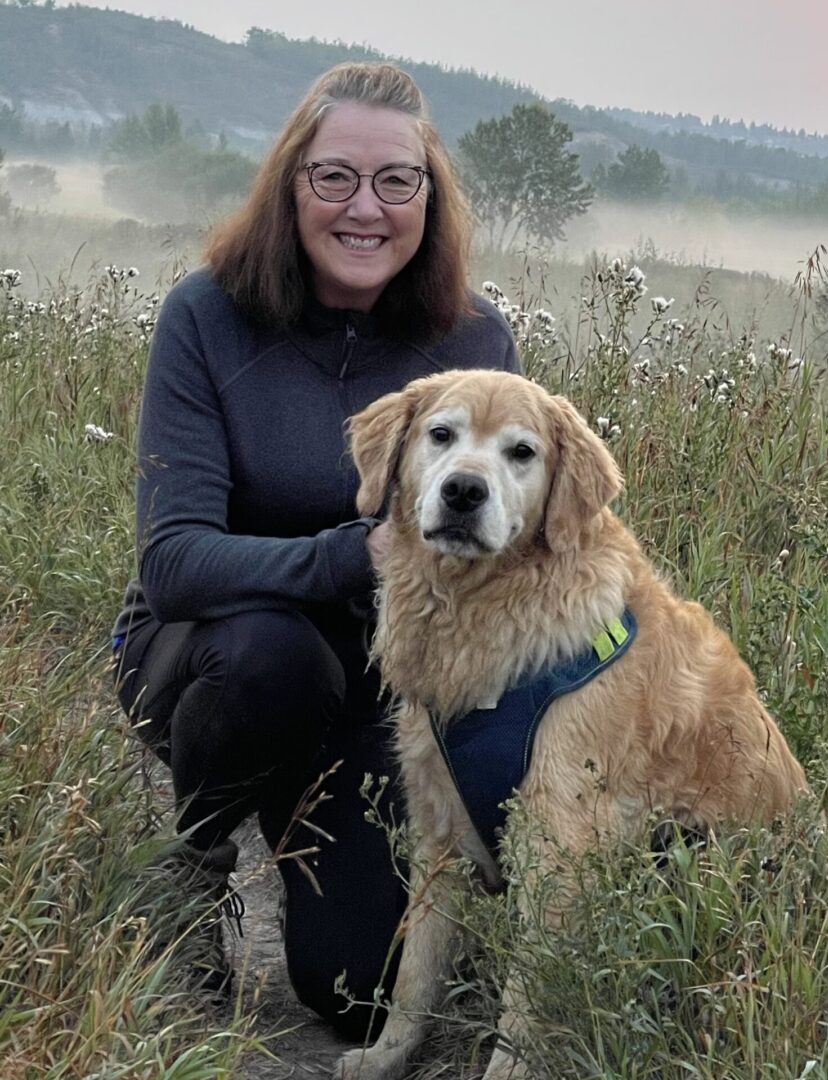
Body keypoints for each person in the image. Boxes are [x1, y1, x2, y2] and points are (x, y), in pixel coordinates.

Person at [112, 61, 520, 1040]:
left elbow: (496, 552)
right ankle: (201, 861)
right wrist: (350, 557)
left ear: (429, 194)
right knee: (273, 656)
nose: (365, 207)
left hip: (376, 690)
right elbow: (174, 563)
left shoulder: (475, 341)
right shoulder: (206, 315)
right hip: (208, 659)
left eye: (396, 181)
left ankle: (332, 871)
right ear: (290, 181)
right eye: (334, 177)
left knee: (359, 995)